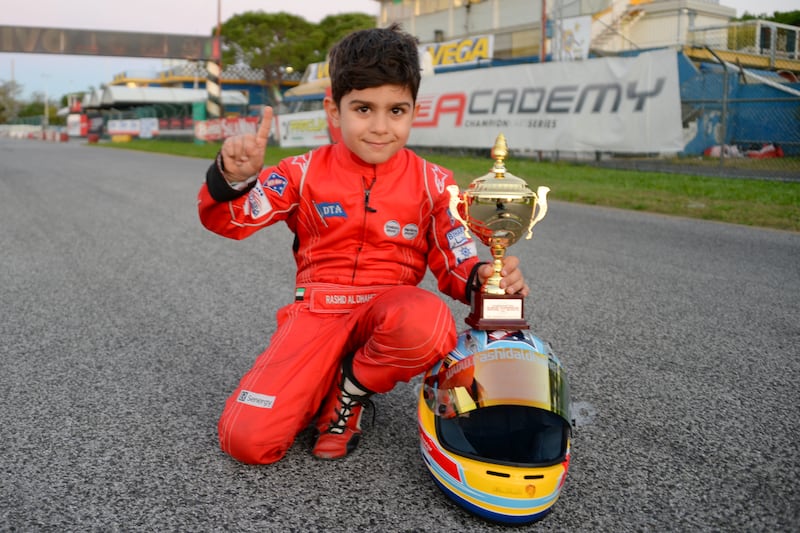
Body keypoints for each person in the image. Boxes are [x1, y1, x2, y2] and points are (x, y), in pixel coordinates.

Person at [197, 24, 529, 464]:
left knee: (428, 322)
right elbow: (230, 220)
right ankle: (317, 383)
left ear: (414, 111)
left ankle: (348, 392)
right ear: (333, 110)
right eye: (362, 109)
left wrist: (484, 276)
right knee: (247, 441)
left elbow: (455, 261)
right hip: (316, 313)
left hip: (390, 310)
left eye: (396, 111)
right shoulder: (300, 171)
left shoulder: (435, 183)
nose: (379, 127)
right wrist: (234, 177)